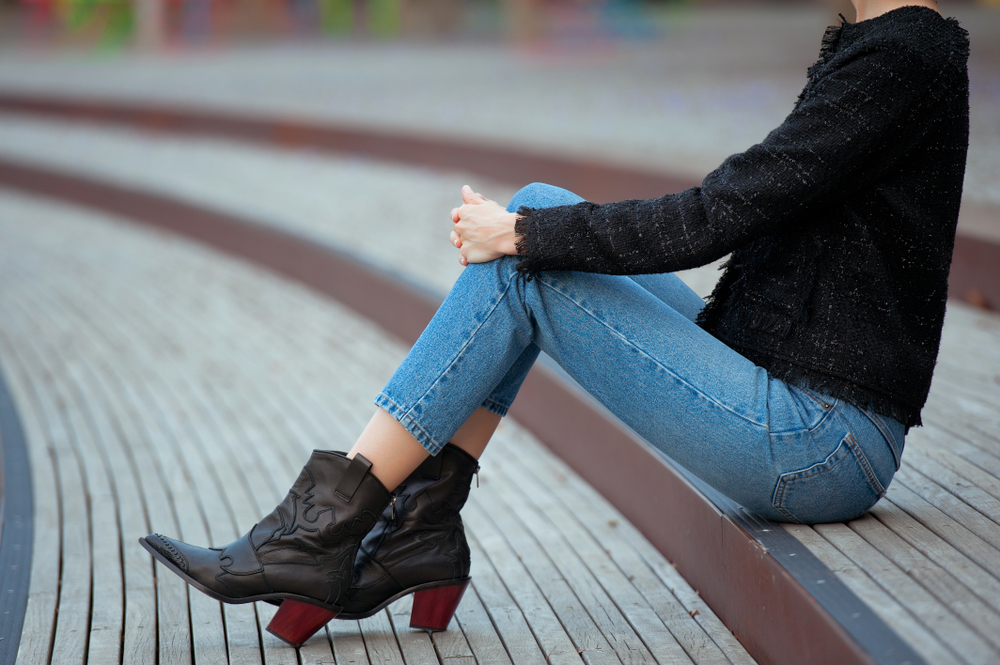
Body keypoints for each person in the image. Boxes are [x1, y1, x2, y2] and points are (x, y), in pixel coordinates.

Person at [140, 0, 969, 649]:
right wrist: (530, 228)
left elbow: (718, 214)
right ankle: (401, 526)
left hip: (820, 440)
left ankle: (326, 531)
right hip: (786, 392)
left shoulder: (901, 59)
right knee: (537, 210)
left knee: (526, 257)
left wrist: (523, 239)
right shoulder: (880, 48)